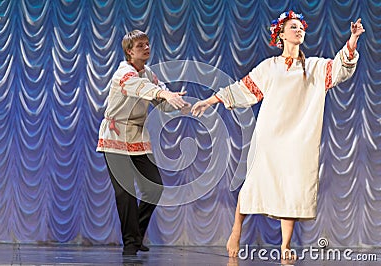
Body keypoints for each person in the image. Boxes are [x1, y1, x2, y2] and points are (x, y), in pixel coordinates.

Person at [191, 10, 365, 260]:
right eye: (292, 27)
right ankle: (236, 231)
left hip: (299, 139)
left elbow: (340, 68)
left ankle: (285, 245)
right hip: (270, 136)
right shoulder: (270, 67)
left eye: (300, 27)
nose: (298, 30)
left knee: (292, 189)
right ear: (280, 35)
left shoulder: (315, 67)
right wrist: (210, 101)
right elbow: (243, 89)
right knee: (253, 183)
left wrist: (353, 40)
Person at [96, 29, 189, 256]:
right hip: (115, 137)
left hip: (137, 136)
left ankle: (136, 234)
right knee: (125, 192)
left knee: (153, 186)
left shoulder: (149, 74)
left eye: (147, 44)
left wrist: (178, 103)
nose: (146, 48)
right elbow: (141, 89)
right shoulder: (124, 73)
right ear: (129, 51)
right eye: (140, 46)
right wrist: (162, 94)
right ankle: (131, 243)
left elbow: (160, 97)